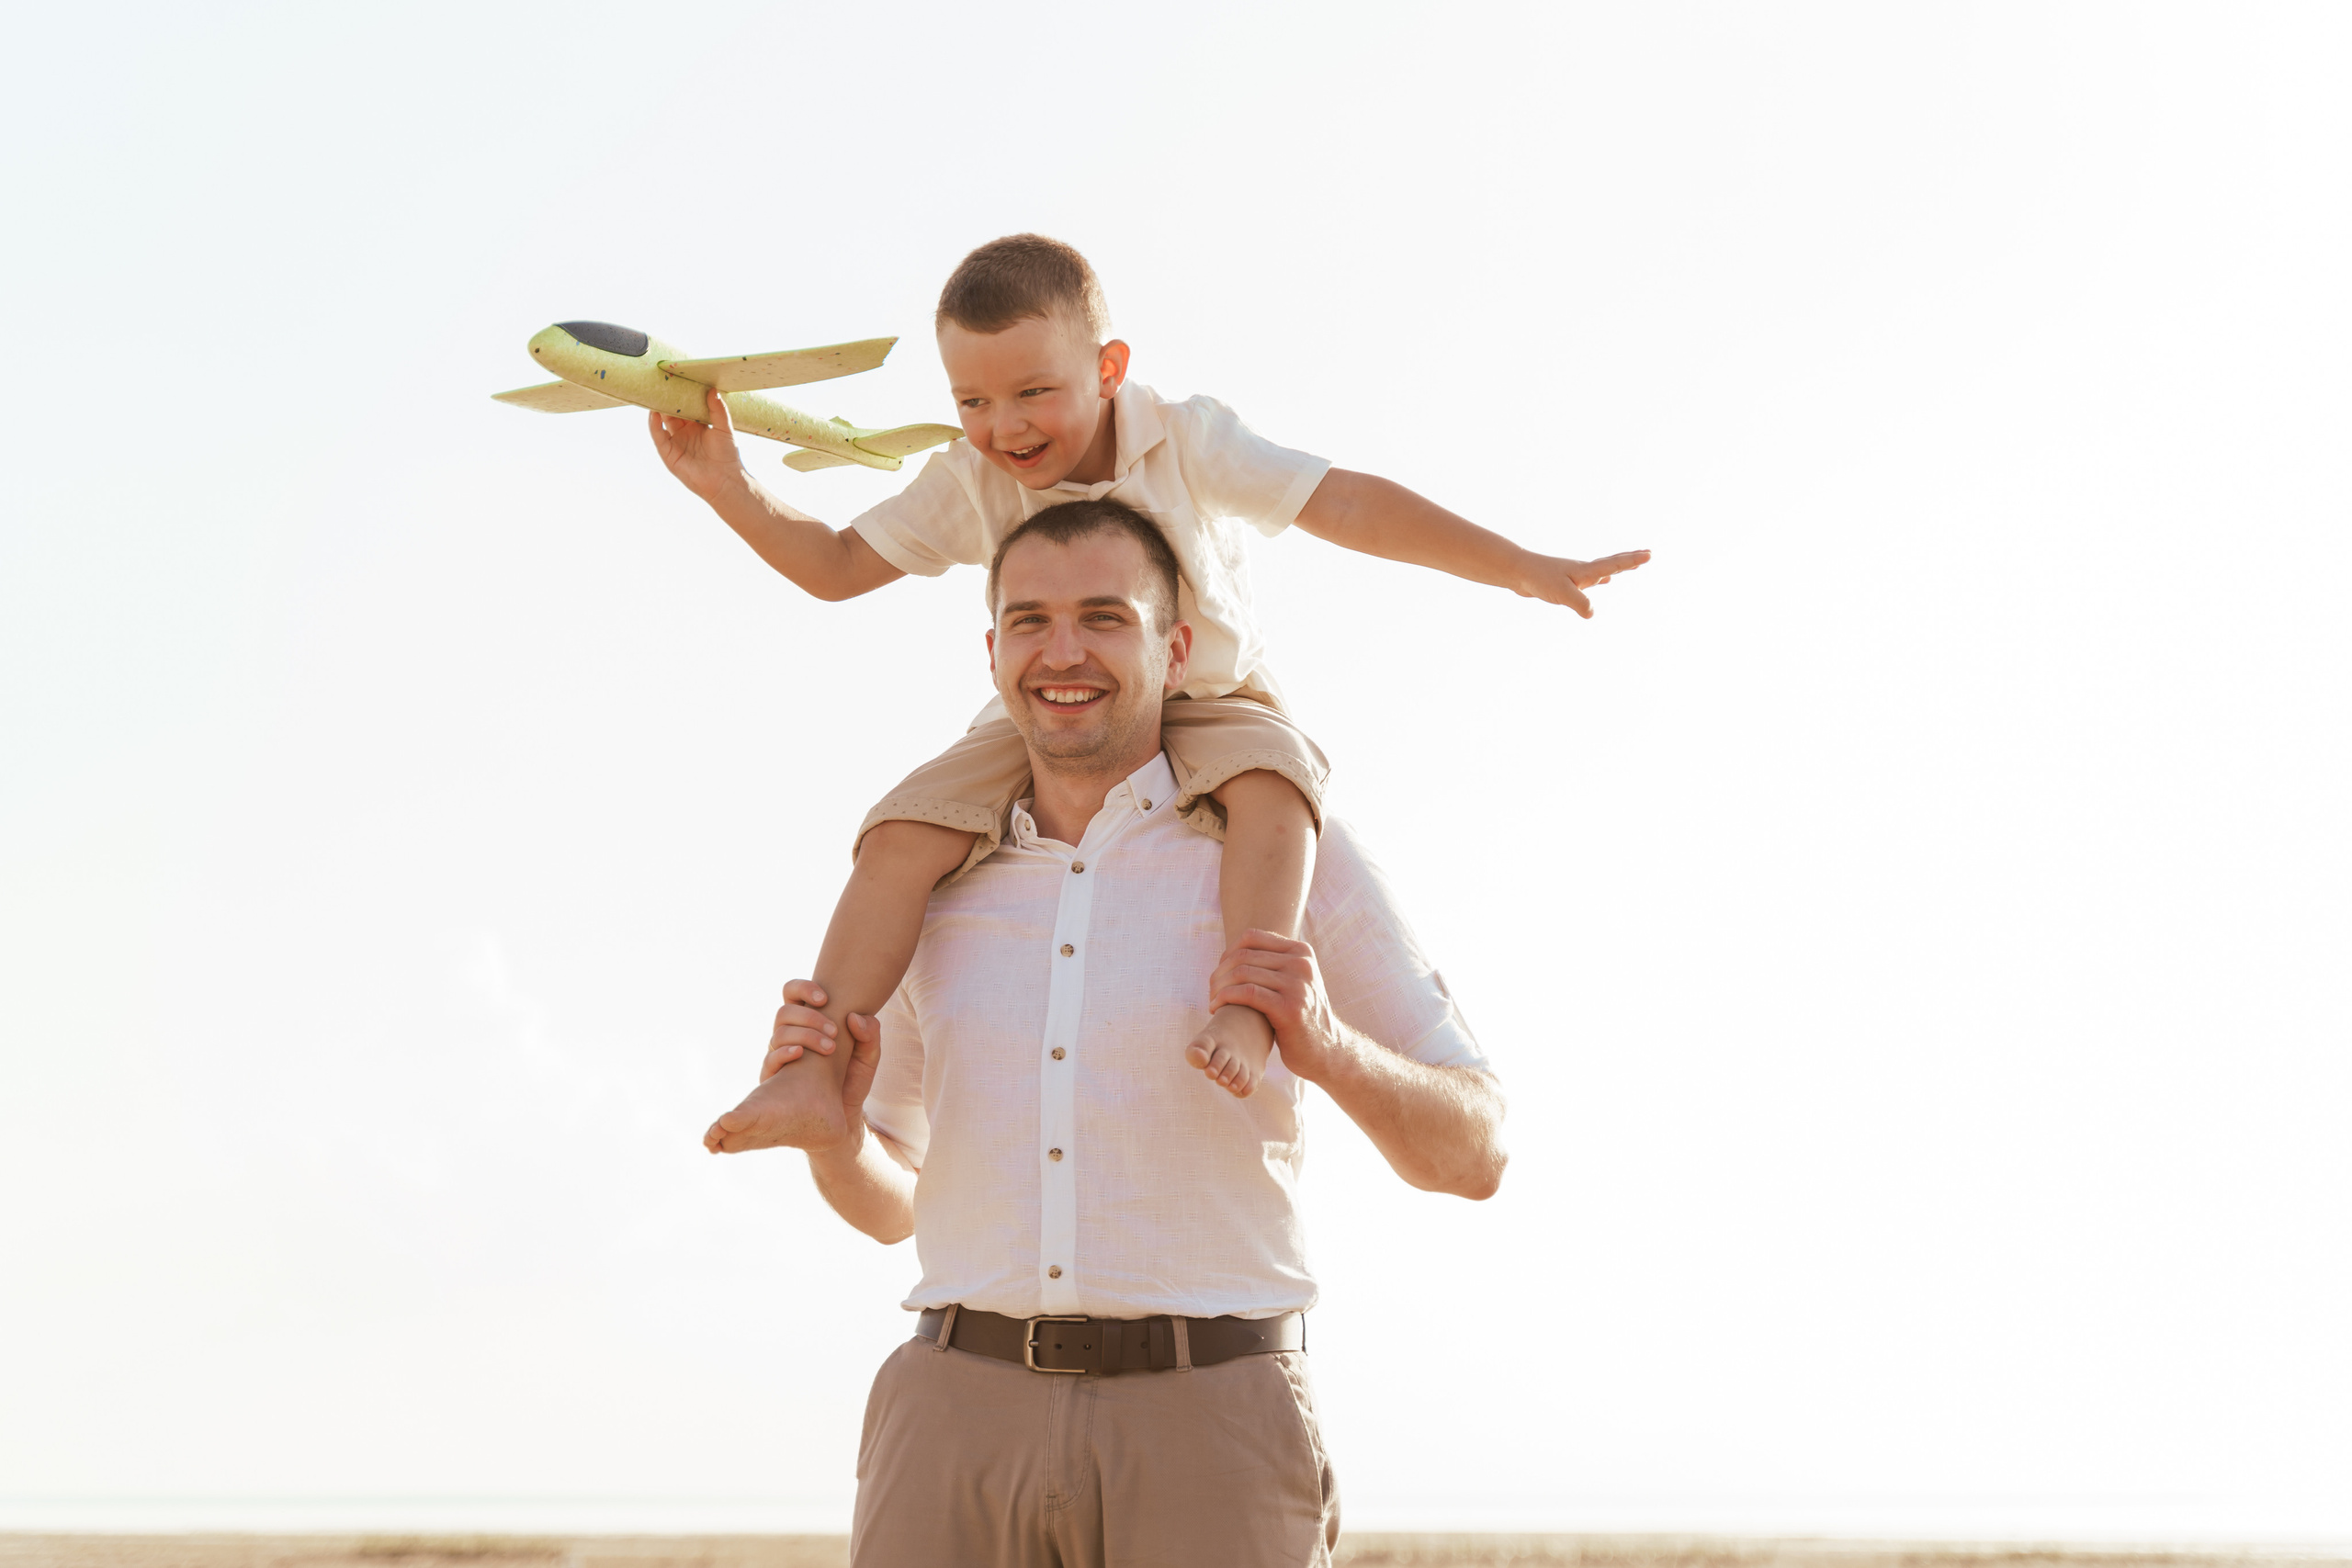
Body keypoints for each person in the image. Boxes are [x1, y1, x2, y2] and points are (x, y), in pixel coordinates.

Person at [650, 234, 1639, 1152]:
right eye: (972, 403)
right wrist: (724, 485)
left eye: (1034, 392)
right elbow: (834, 565)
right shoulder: (971, 481)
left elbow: (1341, 500)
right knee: (905, 826)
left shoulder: (1183, 438)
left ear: (1108, 371)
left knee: (1274, 790)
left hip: (1210, 692)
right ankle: (813, 1076)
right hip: (1052, 703)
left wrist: (1515, 566)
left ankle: (1248, 1012)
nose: (1004, 427)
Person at [761, 497, 1507, 1566]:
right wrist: (834, 1141)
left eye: (1105, 617)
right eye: (1029, 621)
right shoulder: (931, 876)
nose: (1063, 653)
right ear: (991, 649)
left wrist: (1326, 1047)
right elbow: (893, 1209)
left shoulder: (1288, 849)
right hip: (953, 1421)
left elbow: (1477, 1151)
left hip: (1212, 1422)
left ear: (1177, 646)